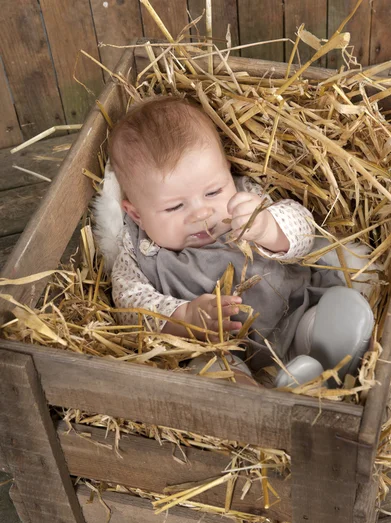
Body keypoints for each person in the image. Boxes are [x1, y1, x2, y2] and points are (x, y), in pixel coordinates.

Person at [95, 95, 374, 386]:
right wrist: (184, 317)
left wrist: (268, 227)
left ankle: (321, 366)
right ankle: (251, 398)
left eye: (213, 191)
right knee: (213, 370)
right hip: (220, 349)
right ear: (136, 214)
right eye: (175, 207)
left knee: (338, 310)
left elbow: (306, 231)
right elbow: (129, 303)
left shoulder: (244, 200)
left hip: (292, 320)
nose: (202, 212)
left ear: (227, 172)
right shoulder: (137, 248)